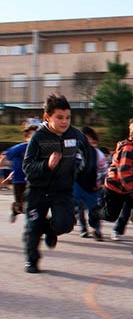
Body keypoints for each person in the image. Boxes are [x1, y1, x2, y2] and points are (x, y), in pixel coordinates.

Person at [22, 94, 93, 273]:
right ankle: (32, 261)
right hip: (37, 191)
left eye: (68, 117)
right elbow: (27, 166)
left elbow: (88, 154)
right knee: (33, 228)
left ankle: (51, 230)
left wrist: (81, 169)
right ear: (47, 117)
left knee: (65, 224)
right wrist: (46, 165)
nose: (64, 122)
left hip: (62, 190)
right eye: (59, 117)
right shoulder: (38, 138)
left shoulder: (75, 135)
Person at [90, 117, 133, 255]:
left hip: (129, 188)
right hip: (115, 188)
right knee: (111, 216)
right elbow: (124, 174)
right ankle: (94, 213)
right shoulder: (128, 149)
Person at [73, 126, 109, 240]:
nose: (89, 142)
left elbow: (104, 170)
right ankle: (83, 228)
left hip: (92, 187)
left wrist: (100, 182)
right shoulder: (74, 152)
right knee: (78, 207)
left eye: (92, 139)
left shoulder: (98, 154)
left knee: (94, 210)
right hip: (77, 185)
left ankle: (96, 230)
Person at [0, 124, 37, 224]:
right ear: (26, 137)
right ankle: (15, 209)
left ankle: (34, 227)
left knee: (31, 205)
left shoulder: (40, 149)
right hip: (19, 180)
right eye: (32, 136)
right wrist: (7, 171)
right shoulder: (20, 148)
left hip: (33, 181)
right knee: (21, 205)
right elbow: (5, 157)